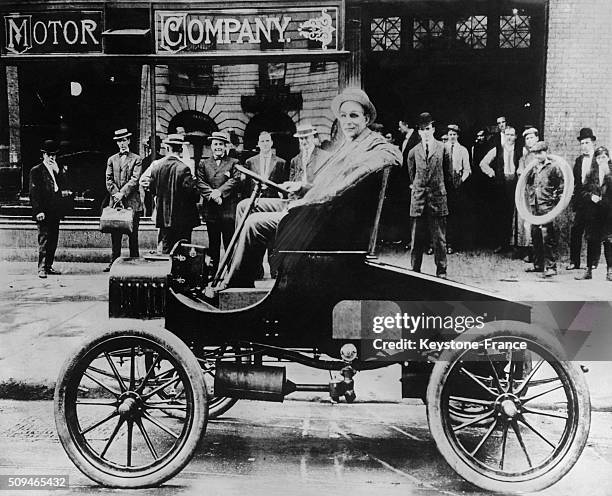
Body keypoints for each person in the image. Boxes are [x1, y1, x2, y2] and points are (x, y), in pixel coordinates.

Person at [221, 88, 401, 288]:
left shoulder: (373, 143)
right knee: (246, 206)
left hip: (324, 220)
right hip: (312, 206)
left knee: (254, 223)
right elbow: (329, 184)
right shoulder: (349, 143)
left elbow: (392, 155)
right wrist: (304, 187)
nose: (348, 121)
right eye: (343, 116)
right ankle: (245, 273)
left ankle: (235, 287)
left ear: (366, 119)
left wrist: (348, 178)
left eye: (354, 116)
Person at [140, 134, 200, 254]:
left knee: (166, 250)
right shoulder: (184, 168)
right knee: (183, 250)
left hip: (163, 217)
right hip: (183, 218)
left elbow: (151, 189)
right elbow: (193, 195)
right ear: (181, 149)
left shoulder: (157, 167)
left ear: (168, 148)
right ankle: (180, 272)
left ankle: (166, 271)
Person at [408, 112, 451, 278]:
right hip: (418, 200)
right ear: (419, 132)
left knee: (439, 239)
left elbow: (448, 174)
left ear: (433, 129)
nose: (425, 132)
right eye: (422, 130)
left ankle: (441, 271)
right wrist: (418, 189)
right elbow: (412, 176)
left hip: (437, 199)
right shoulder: (413, 152)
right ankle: (415, 271)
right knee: (416, 238)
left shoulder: (443, 149)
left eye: (428, 128)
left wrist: (440, 191)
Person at [196, 131, 240, 274]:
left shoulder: (234, 162)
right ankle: (213, 273)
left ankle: (231, 273)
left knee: (230, 243)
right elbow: (200, 182)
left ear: (225, 146)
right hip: (211, 210)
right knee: (213, 244)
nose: (218, 147)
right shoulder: (204, 163)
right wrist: (213, 195)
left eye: (221, 144)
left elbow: (235, 180)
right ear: (211, 146)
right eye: (216, 144)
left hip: (228, 210)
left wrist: (219, 192)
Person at [29, 139, 71, 278]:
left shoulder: (57, 169)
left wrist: (58, 171)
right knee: (44, 239)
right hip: (44, 211)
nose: (52, 157)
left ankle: (48, 266)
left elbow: (64, 187)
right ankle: (41, 268)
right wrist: (38, 211)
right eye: (49, 155)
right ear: (44, 155)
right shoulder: (36, 171)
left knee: (53, 239)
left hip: (55, 210)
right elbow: (34, 194)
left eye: (54, 155)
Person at [103, 128, 143, 272]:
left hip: (132, 202)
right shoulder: (111, 160)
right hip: (115, 203)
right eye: (119, 141)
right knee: (115, 235)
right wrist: (116, 194)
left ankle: (134, 262)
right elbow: (108, 180)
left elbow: (135, 179)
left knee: (133, 235)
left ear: (129, 140)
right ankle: (114, 262)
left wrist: (122, 193)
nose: (122, 143)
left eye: (124, 140)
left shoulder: (137, 159)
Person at [524, 141, 564, 278]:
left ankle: (551, 266)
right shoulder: (533, 168)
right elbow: (527, 182)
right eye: (535, 153)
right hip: (534, 206)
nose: (538, 156)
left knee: (548, 237)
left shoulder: (553, 167)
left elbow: (561, 186)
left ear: (546, 152)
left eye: (540, 153)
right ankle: (538, 265)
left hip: (547, 206)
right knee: (535, 236)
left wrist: (555, 200)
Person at [479, 126, 522, 253]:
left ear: (516, 136)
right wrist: (492, 173)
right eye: (507, 134)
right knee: (501, 214)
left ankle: (515, 244)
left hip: (515, 184)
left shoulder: (521, 150)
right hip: (501, 185)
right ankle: (501, 243)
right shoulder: (497, 150)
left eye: (512, 135)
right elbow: (483, 163)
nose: (509, 137)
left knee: (515, 214)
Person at [575, 146, 612, 280]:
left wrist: (608, 175)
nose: (601, 160)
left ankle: (610, 271)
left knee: (609, 240)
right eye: (598, 157)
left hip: (608, 213)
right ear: (595, 159)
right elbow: (582, 191)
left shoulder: (611, 172)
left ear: (608, 158)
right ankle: (588, 270)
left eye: (604, 157)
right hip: (593, 212)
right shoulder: (591, 173)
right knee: (591, 239)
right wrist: (591, 196)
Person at [567, 127, 597, 270]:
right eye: (582, 143)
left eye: (587, 143)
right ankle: (574, 262)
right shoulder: (579, 160)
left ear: (593, 143)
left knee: (592, 233)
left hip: (594, 203)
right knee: (576, 231)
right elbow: (576, 182)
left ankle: (592, 263)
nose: (584, 146)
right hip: (580, 203)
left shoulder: (599, 159)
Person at [445, 124, 471, 253]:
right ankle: (441, 243)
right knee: (443, 215)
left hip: (457, 186)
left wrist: (460, 181)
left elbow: (467, 170)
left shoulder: (463, 150)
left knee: (454, 215)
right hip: (444, 185)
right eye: (450, 134)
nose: (452, 137)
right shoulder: (443, 148)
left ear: (458, 135)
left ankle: (452, 243)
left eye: (454, 134)